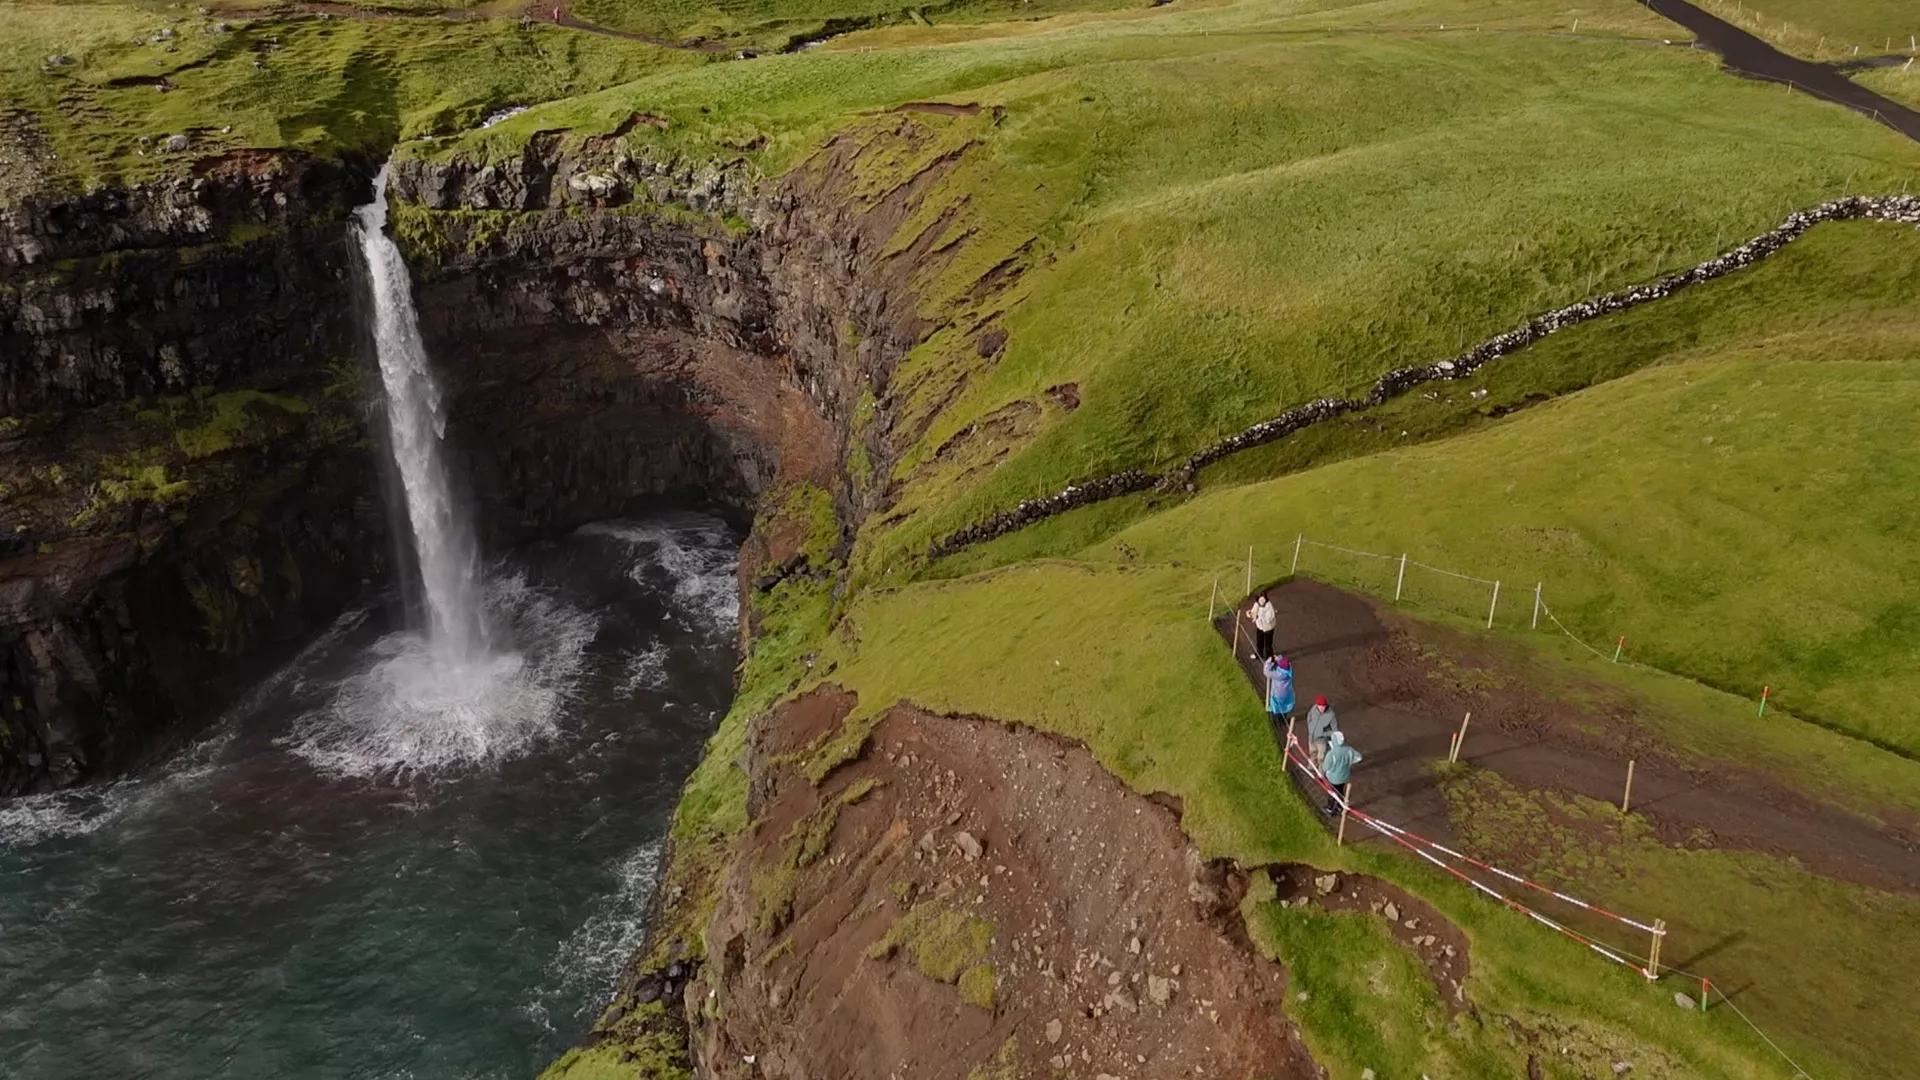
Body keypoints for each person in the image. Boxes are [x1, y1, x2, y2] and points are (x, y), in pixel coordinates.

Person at [1321, 730, 1362, 816]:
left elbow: (1325, 767)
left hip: (1333, 778)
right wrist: (1350, 762)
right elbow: (1359, 758)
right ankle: (1339, 807)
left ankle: (1330, 809)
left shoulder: (1331, 754)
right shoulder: (1349, 750)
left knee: (1331, 793)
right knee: (1340, 791)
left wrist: (1330, 770)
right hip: (1344, 777)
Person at [1262, 654, 1295, 738]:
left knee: (1275, 708)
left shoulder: (1279, 675)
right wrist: (1277, 658)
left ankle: (1275, 723)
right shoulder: (1289, 670)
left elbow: (1266, 671)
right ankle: (1283, 720)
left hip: (1277, 694)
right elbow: (1282, 661)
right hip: (1287, 693)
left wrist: (1269, 661)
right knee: (1285, 707)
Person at [1305, 695, 1338, 767]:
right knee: (1312, 753)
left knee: (1321, 758)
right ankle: (1312, 766)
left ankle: (1321, 772)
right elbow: (1309, 717)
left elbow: (1335, 731)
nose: (1322, 708)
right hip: (1312, 738)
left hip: (1321, 741)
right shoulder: (1313, 709)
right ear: (1317, 705)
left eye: (1323, 706)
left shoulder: (1331, 715)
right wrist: (1310, 728)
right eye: (1320, 706)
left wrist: (1324, 734)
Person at [1250, 595, 1277, 660]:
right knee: (1259, 642)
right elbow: (1253, 612)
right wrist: (1251, 614)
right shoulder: (1257, 604)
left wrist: (1257, 616)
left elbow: (1268, 619)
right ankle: (1259, 654)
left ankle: (1270, 658)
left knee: (1268, 645)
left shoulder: (1269, 607)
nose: (1261, 603)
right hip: (1260, 627)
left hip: (1268, 628)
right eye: (1259, 601)